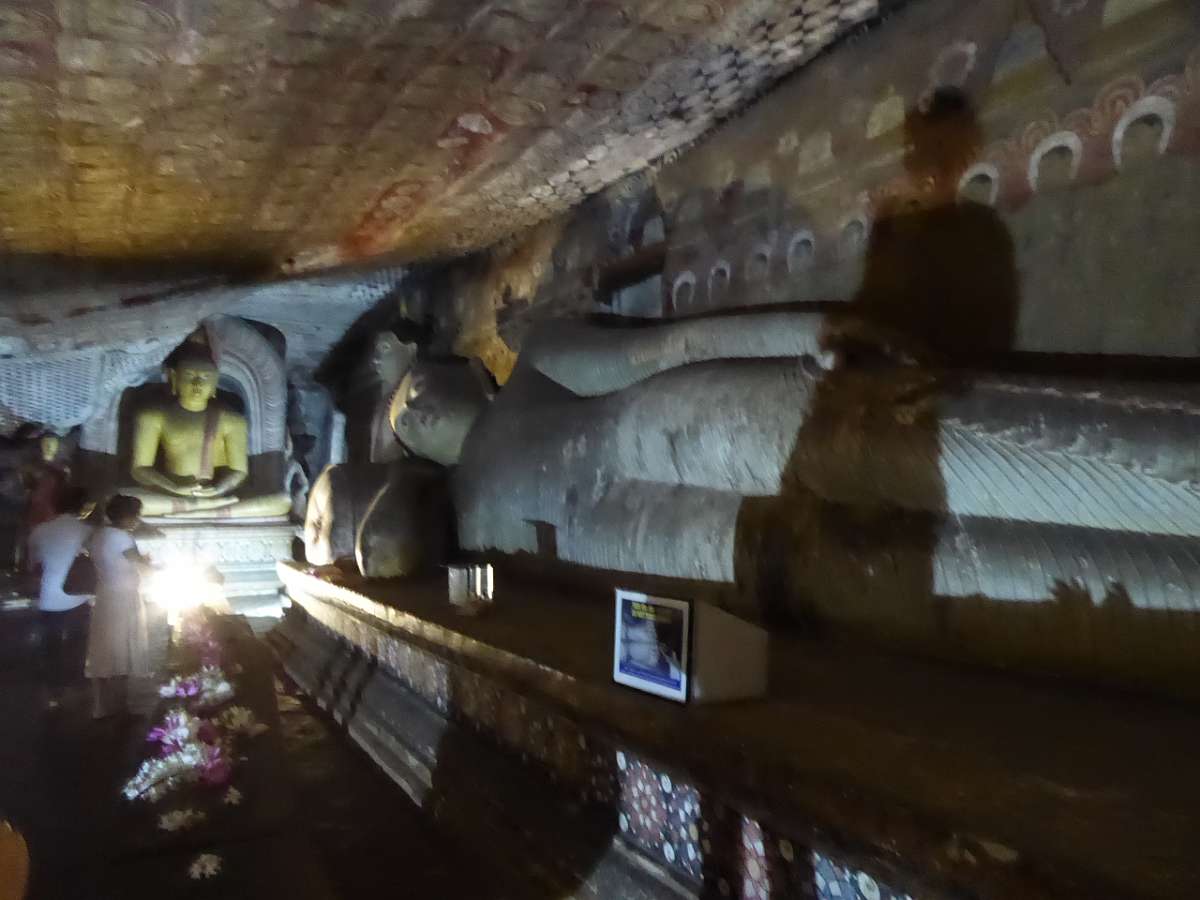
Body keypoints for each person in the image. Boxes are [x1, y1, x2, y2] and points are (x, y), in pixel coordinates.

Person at [85, 495, 152, 719]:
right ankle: (122, 705)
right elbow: (141, 564)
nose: (137, 520)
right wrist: (150, 563)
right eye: (135, 515)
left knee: (102, 650)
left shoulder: (98, 535)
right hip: (124, 599)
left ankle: (99, 706)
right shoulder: (123, 537)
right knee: (123, 650)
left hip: (105, 596)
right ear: (124, 516)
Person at [26, 487, 94, 709]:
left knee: (51, 644)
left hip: (48, 597)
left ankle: (54, 690)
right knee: (78, 643)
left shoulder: (39, 531)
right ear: (83, 507)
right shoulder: (87, 531)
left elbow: (33, 564)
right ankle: (77, 684)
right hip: (78, 598)